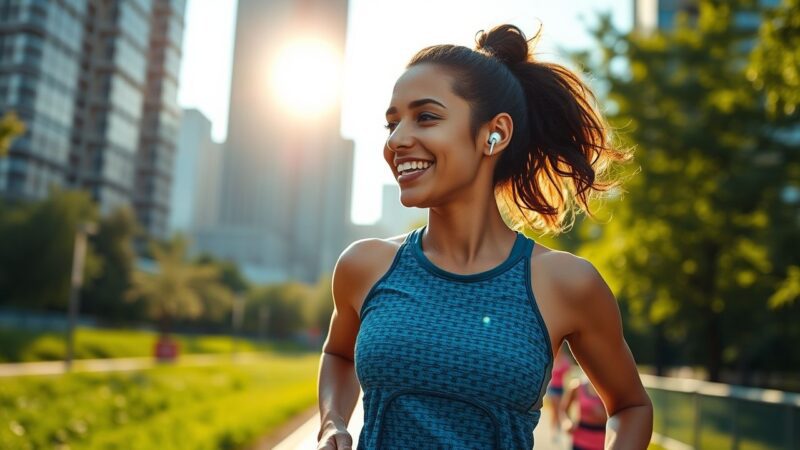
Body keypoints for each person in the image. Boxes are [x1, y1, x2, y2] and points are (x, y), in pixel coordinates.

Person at [317, 23, 652, 450]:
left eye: (426, 117)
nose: (398, 141)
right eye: (392, 124)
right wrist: (333, 422)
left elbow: (630, 406)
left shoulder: (566, 283)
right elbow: (338, 354)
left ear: (495, 134)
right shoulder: (364, 266)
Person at [560, 373, 608, 450]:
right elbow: (563, 410)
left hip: (602, 442)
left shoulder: (610, 390)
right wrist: (567, 422)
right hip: (579, 440)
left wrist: (605, 415)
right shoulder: (577, 386)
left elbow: (622, 416)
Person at [546, 343, 574, 443]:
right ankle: (554, 431)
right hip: (552, 388)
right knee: (555, 410)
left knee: (558, 410)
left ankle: (556, 430)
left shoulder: (566, 360)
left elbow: (569, 372)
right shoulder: (552, 358)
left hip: (561, 388)